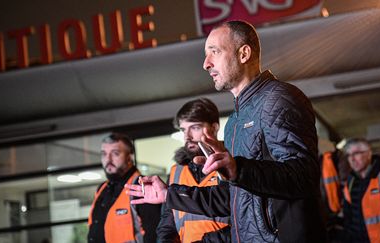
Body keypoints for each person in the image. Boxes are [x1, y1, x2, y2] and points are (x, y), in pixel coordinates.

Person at [128, 20, 326, 243]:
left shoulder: (278, 99)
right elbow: (230, 198)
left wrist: (237, 169)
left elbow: (303, 176)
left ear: (243, 54)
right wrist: (168, 195)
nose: (206, 64)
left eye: (215, 52)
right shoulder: (235, 121)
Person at [157, 98, 231, 243]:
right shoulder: (175, 172)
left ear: (214, 127)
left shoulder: (230, 165)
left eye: (195, 127)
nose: (187, 136)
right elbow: (167, 225)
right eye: (183, 129)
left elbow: (246, 221)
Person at [87, 132, 161, 243]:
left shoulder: (142, 186)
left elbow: (156, 234)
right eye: (104, 154)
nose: (108, 159)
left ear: (129, 157)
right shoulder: (102, 189)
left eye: (115, 153)